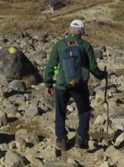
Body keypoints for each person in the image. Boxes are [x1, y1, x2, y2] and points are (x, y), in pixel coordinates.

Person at [43, 19, 107, 153]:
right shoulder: (86, 45)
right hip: (79, 86)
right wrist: (102, 76)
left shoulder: (59, 45)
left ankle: (61, 140)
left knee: (60, 112)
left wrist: (48, 83)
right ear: (82, 31)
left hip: (61, 85)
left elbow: (50, 66)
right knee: (84, 111)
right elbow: (93, 67)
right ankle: (81, 137)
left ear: (70, 29)